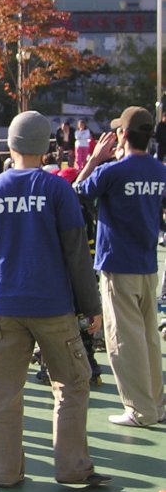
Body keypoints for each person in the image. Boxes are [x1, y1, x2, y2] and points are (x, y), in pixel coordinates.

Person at [0, 110, 110, 488]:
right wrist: (91, 306)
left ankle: (5, 472)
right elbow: (76, 253)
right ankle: (71, 467)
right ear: (47, 147)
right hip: (54, 308)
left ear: (11, 146)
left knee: (3, 392)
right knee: (71, 383)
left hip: (5, 307)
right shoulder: (57, 190)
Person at [75, 107, 166, 427]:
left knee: (123, 341)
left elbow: (77, 192)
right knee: (149, 338)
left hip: (118, 264)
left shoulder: (112, 171)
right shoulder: (159, 170)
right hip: (147, 264)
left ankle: (139, 409)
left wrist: (95, 159)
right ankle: (156, 402)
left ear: (123, 135)